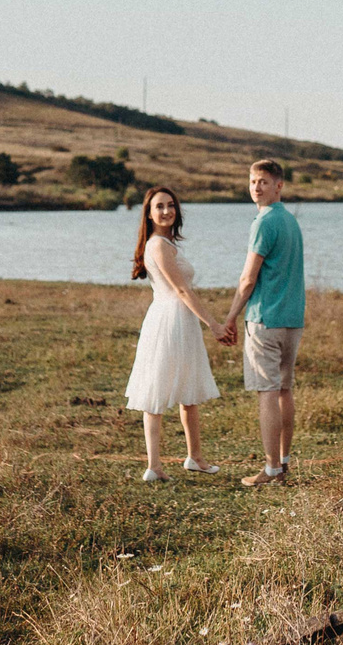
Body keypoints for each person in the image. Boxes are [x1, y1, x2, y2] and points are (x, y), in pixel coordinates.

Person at [123, 186, 222, 480]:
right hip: (170, 319)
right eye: (159, 207)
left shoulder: (165, 243)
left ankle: (195, 457)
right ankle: (154, 466)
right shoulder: (158, 245)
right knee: (156, 389)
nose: (166, 211)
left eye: (170, 205)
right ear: (149, 214)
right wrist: (213, 323)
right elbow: (181, 289)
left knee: (187, 391)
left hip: (177, 319)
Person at [217, 158, 304, 485]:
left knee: (268, 392)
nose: (256, 187)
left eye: (264, 182)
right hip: (293, 320)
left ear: (278, 186)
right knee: (284, 389)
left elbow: (248, 279)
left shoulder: (264, 222)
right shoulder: (292, 222)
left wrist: (230, 317)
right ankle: (283, 462)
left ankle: (271, 470)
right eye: (253, 181)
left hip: (266, 320)